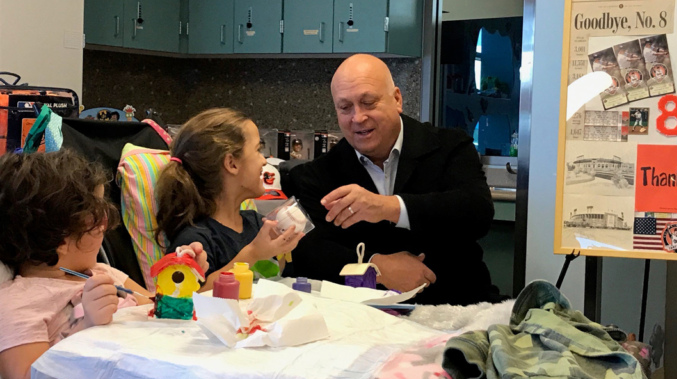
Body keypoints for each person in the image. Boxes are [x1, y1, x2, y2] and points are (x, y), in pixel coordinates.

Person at [283, 54, 498, 305]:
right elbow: (309, 252)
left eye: (368, 102)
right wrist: (376, 266)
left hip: (458, 307)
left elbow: (477, 212)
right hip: (364, 320)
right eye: (345, 107)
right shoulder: (318, 175)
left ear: (397, 99)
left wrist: (388, 207)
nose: (358, 117)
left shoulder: (449, 146)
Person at [0, 150, 170, 379]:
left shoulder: (104, 273)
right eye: (98, 216)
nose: (105, 225)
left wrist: (181, 272)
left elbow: (160, 309)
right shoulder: (18, 303)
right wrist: (85, 326)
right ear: (59, 239)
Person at [155, 108, 303, 290]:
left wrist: (281, 250)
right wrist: (253, 254)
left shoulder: (256, 223)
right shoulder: (195, 241)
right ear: (232, 163)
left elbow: (276, 280)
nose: (264, 161)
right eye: (257, 150)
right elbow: (187, 295)